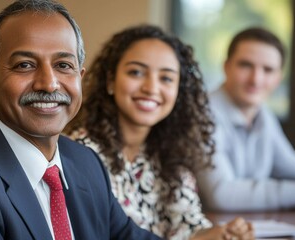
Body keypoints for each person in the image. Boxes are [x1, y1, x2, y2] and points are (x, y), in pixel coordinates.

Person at [0, 1, 162, 239]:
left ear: (80, 78)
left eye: (63, 65)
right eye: (25, 65)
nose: (49, 83)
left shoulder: (85, 162)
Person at [65, 25, 254, 240]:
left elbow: (189, 226)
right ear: (110, 81)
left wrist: (222, 233)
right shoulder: (82, 154)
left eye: (166, 78)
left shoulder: (170, 150)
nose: (151, 88)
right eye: (136, 72)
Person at [197, 27, 295, 212]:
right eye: (245, 65)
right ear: (226, 67)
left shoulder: (263, 115)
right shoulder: (201, 114)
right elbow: (222, 195)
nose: (256, 79)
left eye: (268, 70)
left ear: (278, 78)